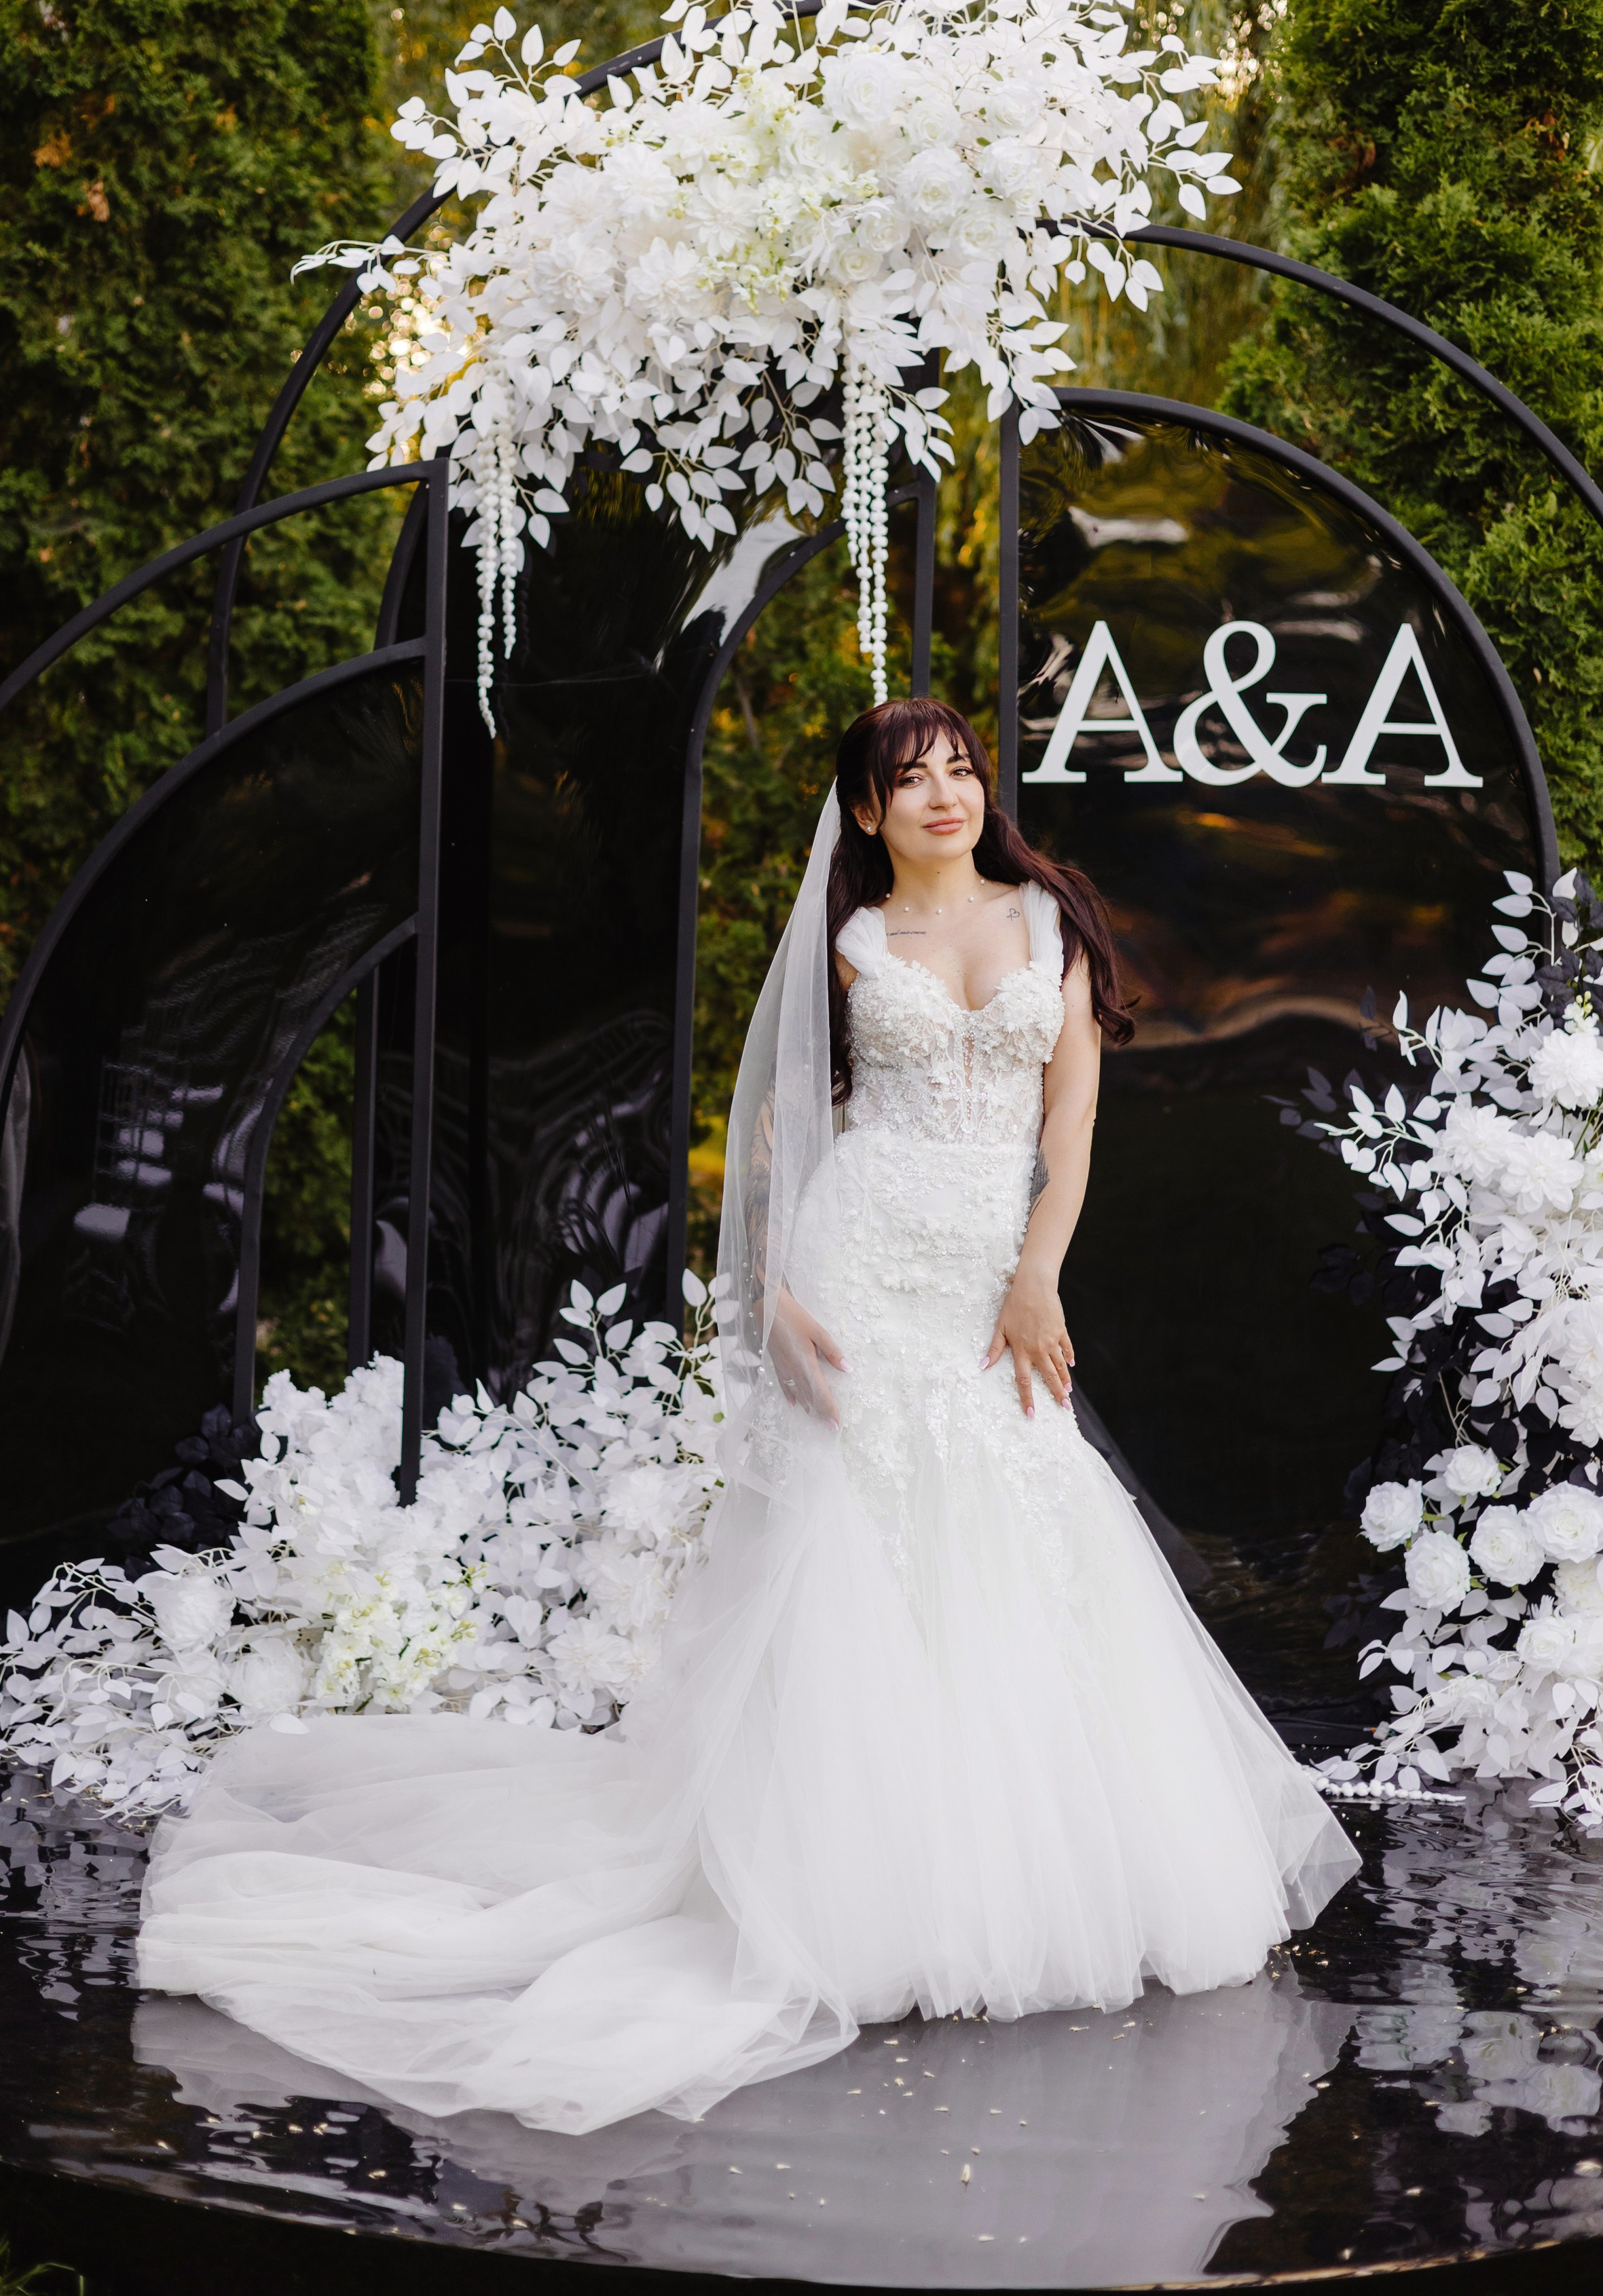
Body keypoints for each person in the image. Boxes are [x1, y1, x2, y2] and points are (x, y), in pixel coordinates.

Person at [138, 697, 1359, 2136]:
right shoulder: (849, 950)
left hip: (985, 1278)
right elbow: (785, 1134)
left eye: (959, 771)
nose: (943, 796)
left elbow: (1070, 1125)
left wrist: (1035, 1274)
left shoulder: (1049, 925)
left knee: (1020, 1525)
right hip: (856, 1266)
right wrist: (775, 1290)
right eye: (909, 782)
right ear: (861, 813)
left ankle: (1009, 1869)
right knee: (851, 1561)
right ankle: (851, 1886)